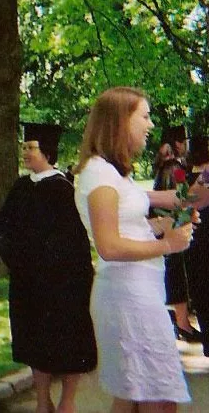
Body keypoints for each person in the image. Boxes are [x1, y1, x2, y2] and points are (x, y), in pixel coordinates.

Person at [74, 87, 205, 412]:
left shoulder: (114, 175)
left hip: (137, 295)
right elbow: (108, 245)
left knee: (133, 397)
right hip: (129, 301)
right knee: (159, 400)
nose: (149, 125)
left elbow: (175, 203)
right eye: (143, 117)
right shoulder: (100, 175)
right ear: (120, 122)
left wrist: (159, 226)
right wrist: (166, 243)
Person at [0, 122, 97, 413]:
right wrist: (17, 258)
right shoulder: (21, 187)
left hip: (62, 283)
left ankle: (67, 401)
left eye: (31, 147)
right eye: (24, 147)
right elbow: (0, 227)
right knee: (35, 344)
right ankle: (42, 400)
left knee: (69, 344)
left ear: (47, 152)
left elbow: (75, 240)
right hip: (29, 282)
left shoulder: (64, 190)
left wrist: (51, 264)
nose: (25, 152)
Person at [154, 124, 200, 342]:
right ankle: (183, 323)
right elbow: (182, 197)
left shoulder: (164, 166)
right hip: (172, 227)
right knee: (177, 275)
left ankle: (182, 322)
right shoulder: (176, 168)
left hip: (164, 226)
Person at [186, 135, 209, 357]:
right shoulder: (205, 174)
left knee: (201, 288)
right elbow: (190, 199)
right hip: (202, 232)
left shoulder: (183, 171)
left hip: (196, 236)